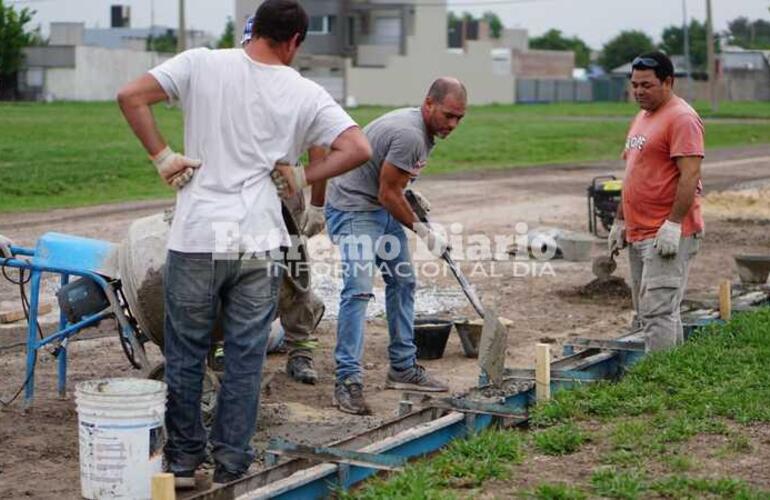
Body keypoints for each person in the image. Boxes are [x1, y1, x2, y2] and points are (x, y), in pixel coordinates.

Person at [117, 0, 371, 488]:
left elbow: (130, 96)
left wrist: (163, 156)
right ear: (295, 41)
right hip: (258, 243)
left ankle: (185, 465)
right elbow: (357, 148)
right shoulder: (304, 91)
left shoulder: (201, 63)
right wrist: (303, 174)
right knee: (245, 357)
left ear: (253, 29)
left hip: (197, 237)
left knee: (188, 353)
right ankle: (232, 466)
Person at [323, 78, 467, 415]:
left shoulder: (422, 130)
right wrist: (424, 232)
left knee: (403, 281)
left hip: (378, 206)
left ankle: (402, 367)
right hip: (353, 207)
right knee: (358, 289)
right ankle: (347, 381)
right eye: (448, 115)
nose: (453, 125)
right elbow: (387, 193)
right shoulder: (411, 135)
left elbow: (392, 187)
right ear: (428, 103)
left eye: (460, 118)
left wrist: (409, 193)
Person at [608, 51, 704, 352]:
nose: (638, 91)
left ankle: (658, 382)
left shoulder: (682, 118)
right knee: (651, 310)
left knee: (657, 310)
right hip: (640, 231)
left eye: (646, 85)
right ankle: (670, 371)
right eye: (634, 85)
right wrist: (620, 220)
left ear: (668, 81)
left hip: (666, 232)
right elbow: (633, 172)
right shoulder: (642, 117)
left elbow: (690, 176)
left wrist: (673, 224)